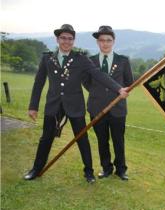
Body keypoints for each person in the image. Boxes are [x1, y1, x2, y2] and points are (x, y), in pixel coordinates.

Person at [24, 24, 129, 183]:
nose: (66, 41)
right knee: (46, 138)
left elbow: (98, 74)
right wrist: (33, 106)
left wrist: (118, 89)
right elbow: (38, 83)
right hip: (53, 105)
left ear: (74, 40)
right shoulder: (47, 58)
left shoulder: (81, 58)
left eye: (70, 39)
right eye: (63, 38)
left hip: (75, 106)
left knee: (82, 138)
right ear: (57, 39)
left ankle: (89, 172)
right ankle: (36, 169)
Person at [83, 25, 133, 181]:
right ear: (97, 42)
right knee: (102, 140)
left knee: (119, 140)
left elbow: (129, 82)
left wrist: (120, 92)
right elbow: (86, 82)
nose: (105, 43)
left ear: (114, 41)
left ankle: (121, 170)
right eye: (102, 40)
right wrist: (98, 92)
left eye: (108, 40)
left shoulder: (123, 61)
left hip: (118, 108)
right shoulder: (89, 61)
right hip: (96, 108)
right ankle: (106, 168)